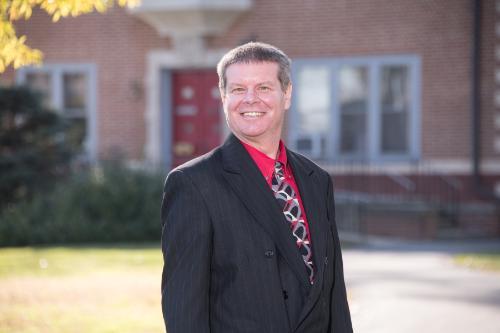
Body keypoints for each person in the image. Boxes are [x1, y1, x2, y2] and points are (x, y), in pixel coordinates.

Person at [161, 42, 353, 333]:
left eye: (263, 88)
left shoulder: (317, 180)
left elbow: (333, 295)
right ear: (224, 96)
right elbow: (184, 309)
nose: (251, 99)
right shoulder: (193, 184)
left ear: (286, 94)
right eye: (238, 89)